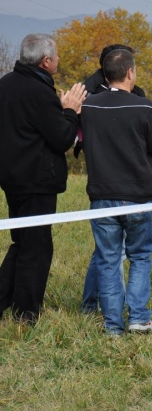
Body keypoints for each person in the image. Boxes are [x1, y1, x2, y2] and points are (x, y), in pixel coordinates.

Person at [80, 49, 152, 335]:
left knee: (108, 259)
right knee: (140, 256)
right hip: (138, 194)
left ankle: (113, 326)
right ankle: (139, 317)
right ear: (130, 72)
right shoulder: (145, 107)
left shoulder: (89, 107)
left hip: (101, 193)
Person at [0, 34, 86, 325]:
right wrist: (70, 111)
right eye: (57, 57)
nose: (58, 61)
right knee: (37, 247)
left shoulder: (6, 84)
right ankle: (26, 313)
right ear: (46, 61)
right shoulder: (39, 91)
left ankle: (4, 299)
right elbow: (62, 138)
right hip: (37, 179)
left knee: (22, 240)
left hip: (11, 177)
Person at [80, 44, 140, 313]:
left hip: (112, 184)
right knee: (113, 253)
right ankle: (107, 308)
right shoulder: (91, 97)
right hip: (117, 183)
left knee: (107, 251)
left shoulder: (135, 96)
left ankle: (94, 303)